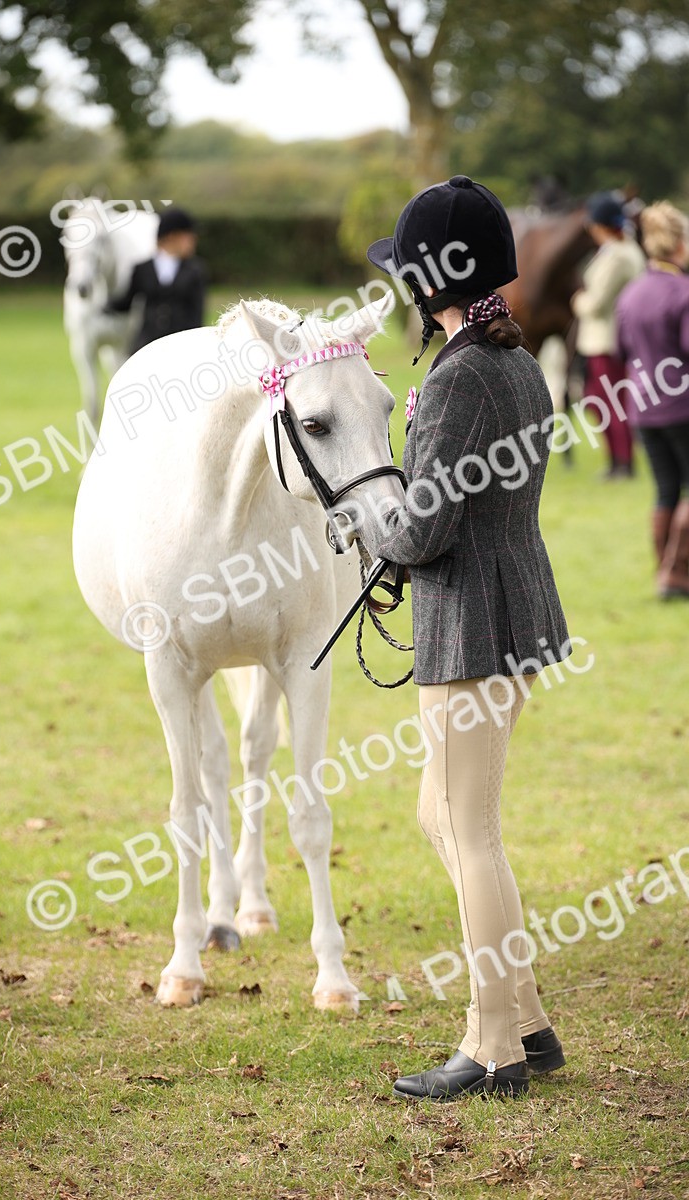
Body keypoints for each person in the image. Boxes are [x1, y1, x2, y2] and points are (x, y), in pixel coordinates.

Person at [357, 176, 571, 1102]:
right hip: (512, 606)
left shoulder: (458, 379)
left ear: (426, 281)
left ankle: (492, 1049)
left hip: (472, 624)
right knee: (440, 817)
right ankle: (523, 1017)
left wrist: (373, 530)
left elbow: (425, 530)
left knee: (470, 832)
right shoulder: (514, 361)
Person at [616, 201, 689, 600]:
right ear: (679, 243)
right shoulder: (683, 292)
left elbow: (624, 348)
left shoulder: (631, 294)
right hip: (682, 405)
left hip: (643, 407)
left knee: (665, 489)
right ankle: (677, 575)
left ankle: (665, 570)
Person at [571, 191, 646, 478]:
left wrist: (576, 299)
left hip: (605, 339)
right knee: (598, 400)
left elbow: (595, 302)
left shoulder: (617, 255)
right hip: (607, 339)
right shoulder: (624, 250)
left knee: (610, 403)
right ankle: (618, 459)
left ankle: (623, 462)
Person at [107, 207, 206, 356]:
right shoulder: (142, 268)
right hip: (147, 346)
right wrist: (103, 303)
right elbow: (125, 303)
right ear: (172, 236)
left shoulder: (195, 271)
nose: (193, 240)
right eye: (188, 236)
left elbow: (196, 314)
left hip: (182, 347)